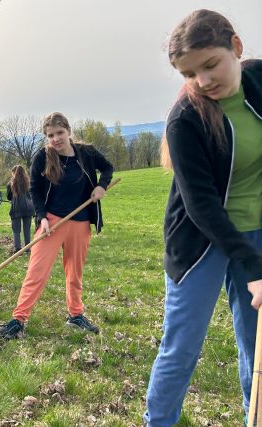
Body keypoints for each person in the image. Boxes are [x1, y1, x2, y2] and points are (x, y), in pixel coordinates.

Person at [143, 10, 262, 426]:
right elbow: (202, 206)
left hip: (257, 231)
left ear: (236, 47)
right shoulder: (185, 120)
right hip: (200, 242)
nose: (203, 81)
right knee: (182, 347)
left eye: (210, 65)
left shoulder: (260, 81)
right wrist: (252, 264)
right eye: (189, 74)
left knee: (257, 343)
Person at [0, 112, 113, 340]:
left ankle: (76, 315)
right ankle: (18, 320)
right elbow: (35, 190)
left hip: (79, 224)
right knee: (36, 271)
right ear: (46, 137)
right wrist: (42, 218)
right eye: (51, 135)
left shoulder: (86, 153)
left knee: (74, 273)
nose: (56, 138)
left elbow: (108, 167)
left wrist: (101, 186)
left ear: (68, 131)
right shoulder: (42, 157)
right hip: (52, 222)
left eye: (60, 133)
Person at [6, 165, 34, 253]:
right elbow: (31, 195)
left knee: (16, 229)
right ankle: (27, 248)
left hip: (17, 208)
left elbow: (9, 197)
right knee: (27, 229)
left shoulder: (10, 183)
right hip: (28, 208)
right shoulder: (28, 182)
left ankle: (17, 248)